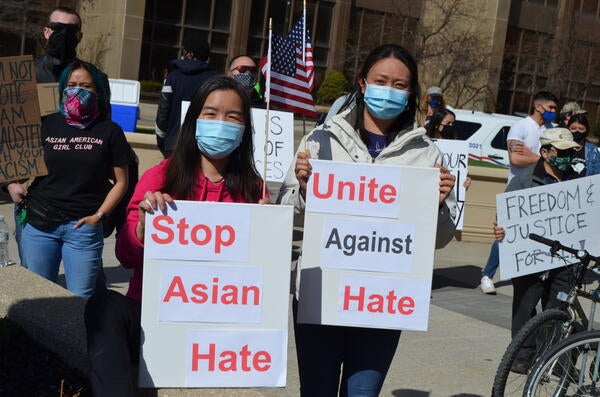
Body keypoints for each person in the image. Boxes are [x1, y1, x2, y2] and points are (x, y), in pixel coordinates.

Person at [278, 44, 457, 397]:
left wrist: (436, 206)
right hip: (321, 294)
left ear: (411, 94)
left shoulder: (427, 154)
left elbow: (438, 239)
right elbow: (285, 211)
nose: (389, 90)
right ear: (362, 82)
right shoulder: (320, 141)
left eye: (400, 85)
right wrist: (302, 190)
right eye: (381, 80)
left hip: (383, 300)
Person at [85, 76, 269, 397]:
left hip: (213, 326)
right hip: (152, 314)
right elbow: (126, 256)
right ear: (194, 120)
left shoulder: (255, 191)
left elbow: (259, 279)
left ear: (244, 129)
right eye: (210, 114)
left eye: (233, 117)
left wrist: (266, 235)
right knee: (104, 306)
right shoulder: (161, 177)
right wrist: (143, 226)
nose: (220, 123)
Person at [7, 60, 130, 299]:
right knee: (38, 298)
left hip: (83, 228)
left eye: (85, 85)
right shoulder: (46, 124)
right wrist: (12, 184)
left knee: (80, 302)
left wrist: (99, 216)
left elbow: (121, 182)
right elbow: (21, 169)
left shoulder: (110, 131)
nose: (77, 90)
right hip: (40, 223)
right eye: (72, 84)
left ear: (99, 91)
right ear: (62, 88)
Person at [493, 127, 582, 373]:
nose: (568, 156)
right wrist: (501, 229)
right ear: (545, 152)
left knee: (558, 308)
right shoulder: (524, 180)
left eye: (571, 151)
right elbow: (505, 214)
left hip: (565, 259)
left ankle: (554, 358)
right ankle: (523, 355)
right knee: (525, 306)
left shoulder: (578, 179)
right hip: (530, 257)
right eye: (561, 151)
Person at [480, 91, 558, 293]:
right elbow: (515, 159)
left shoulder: (554, 130)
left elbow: (554, 159)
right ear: (538, 106)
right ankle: (487, 275)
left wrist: (531, 156)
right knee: (505, 233)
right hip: (517, 189)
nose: (553, 112)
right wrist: (541, 158)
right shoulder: (520, 127)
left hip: (543, 190)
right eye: (551, 108)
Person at [155, 34, 217, 157]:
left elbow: (163, 111)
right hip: (203, 146)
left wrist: (162, 140)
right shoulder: (215, 79)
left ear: (190, 54)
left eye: (183, 50)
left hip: (174, 144)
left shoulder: (173, 77)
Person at [36, 6, 82, 83]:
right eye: (58, 27)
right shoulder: (27, 73)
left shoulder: (92, 75)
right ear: (46, 32)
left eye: (71, 29)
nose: (64, 33)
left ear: (79, 36)